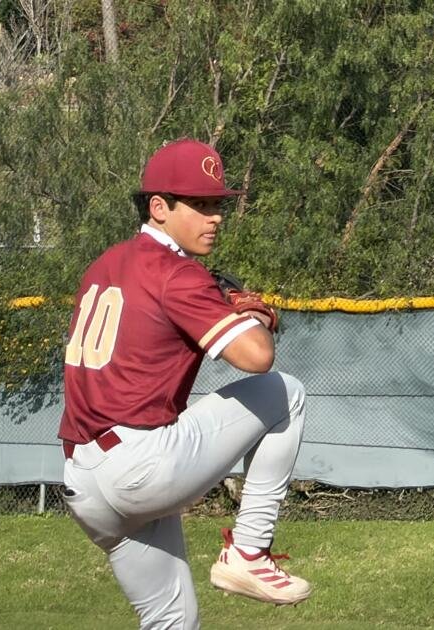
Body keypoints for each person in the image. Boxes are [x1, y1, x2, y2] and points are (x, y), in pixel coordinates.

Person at [58, 138, 311, 629]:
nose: (215, 218)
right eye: (199, 204)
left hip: (83, 481)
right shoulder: (176, 272)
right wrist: (254, 315)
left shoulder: (104, 264)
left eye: (218, 205)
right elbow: (257, 356)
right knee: (285, 393)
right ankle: (250, 552)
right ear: (159, 207)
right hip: (138, 466)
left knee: (172, 619)